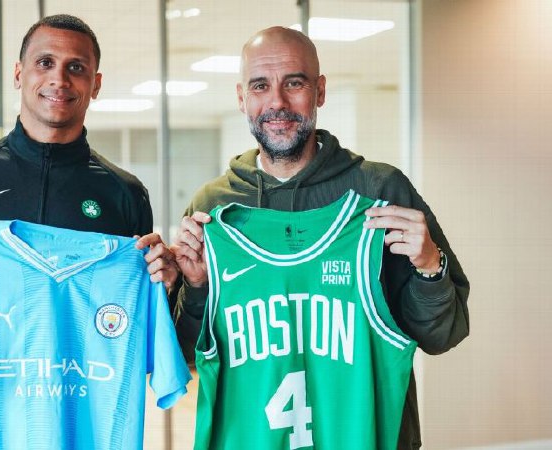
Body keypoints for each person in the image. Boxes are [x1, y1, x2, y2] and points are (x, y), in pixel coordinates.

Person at [170, 26, 469, 449]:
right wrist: (197, 287)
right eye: (260, 86)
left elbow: (443, 336)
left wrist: (430, 268)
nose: (277, 101)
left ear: (320, 91)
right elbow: (186, 353)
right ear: (241, 98)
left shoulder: (379, 194)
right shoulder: (214, 208)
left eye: (294, 83)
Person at [0, 14, 177, 449]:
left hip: (79, 432)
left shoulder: (124, 194)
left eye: (76, 67)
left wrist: (166, 285)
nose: (59, 78)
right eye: (45, 62)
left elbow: (136, 326)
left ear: (95, 84)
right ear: (19, 73)